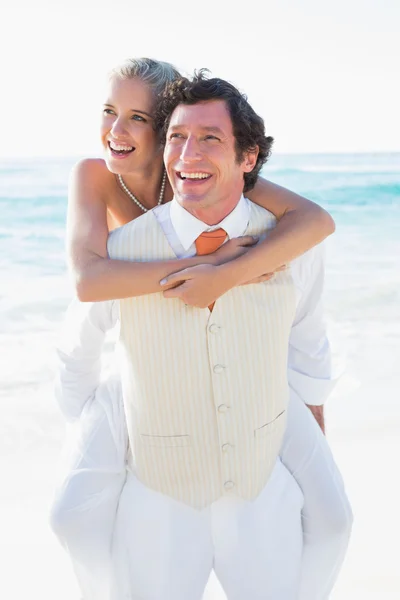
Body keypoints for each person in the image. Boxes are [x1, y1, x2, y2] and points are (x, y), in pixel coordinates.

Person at [50, 65, 352, 600]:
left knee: (334, 518)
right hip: (143, 378)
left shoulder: (232, 183)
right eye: (109, 112)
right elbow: (89, 287)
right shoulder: (97, 179)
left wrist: (235, 270)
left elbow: (313, 224)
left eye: (139, 118)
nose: (118, 130)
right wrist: (198, 266)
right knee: (70, 516)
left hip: (255, 392)